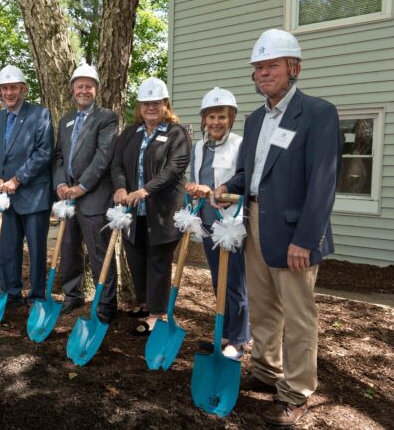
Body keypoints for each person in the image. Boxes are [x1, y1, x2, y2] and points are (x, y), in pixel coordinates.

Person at [212, 29, 341, 426]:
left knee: (299, 316)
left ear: (293, 67)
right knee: (264, 307)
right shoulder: (253, 120)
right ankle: (267, 370)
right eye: (258, 68)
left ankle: (298, 390)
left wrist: (305, 239)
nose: (263, 73)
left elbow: (323, 182)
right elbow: (250, 173)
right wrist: (227, 187)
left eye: (271, 65)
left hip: (294, 233)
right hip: (254, 223)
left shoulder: (318, 113)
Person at [111, 77, 191, 336]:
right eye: (146, 103)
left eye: (156, 103)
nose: (150, 108)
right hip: (135, 211)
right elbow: (118, 165)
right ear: (139, 106)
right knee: (136, 257)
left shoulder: (176, 133)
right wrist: (121, 188)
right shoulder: (131, 133)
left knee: (158, 260)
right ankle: (146, 304)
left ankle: (158, 314)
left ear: (165, 104)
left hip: (163, 211)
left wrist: (146, 190)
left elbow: (173, 168)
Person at [184, 87, 250, 360]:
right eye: (210, 117)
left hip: (232, 223)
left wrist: (215, 193)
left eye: (221, 116)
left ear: (231, 117)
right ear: (203, 120)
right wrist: (194, 190)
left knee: (235, 282)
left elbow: (245, 184)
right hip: (209, 224)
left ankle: (240, 338)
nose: (215, 122)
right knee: (218, 281)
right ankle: (224, 332)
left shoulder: (240, 144)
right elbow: (197, 181)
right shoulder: (198, 147)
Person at [53, 64, 119, 322]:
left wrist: (81, 187)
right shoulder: (66, 120)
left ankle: (106, 303)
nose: (84, 90)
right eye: (79, 86)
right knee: (69, 248)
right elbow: (59, 155)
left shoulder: (106, 118)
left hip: (93, 197)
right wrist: (60, 184)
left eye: (88, 86)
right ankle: (73, 295)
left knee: (99, 252)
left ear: (96, 90)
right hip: (67, 197)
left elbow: (103, 157)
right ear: (72, 90)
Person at [0, 65, 54, 306]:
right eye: (4, 88)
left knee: (36, 250)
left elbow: (44, 153)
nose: (8, 93)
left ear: (23, 89)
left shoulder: (40, 114)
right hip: (5, 196)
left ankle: (36, 296)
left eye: (13, 87)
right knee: (7, 249)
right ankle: (12, 293)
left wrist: (17, 179)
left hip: (33, 195)